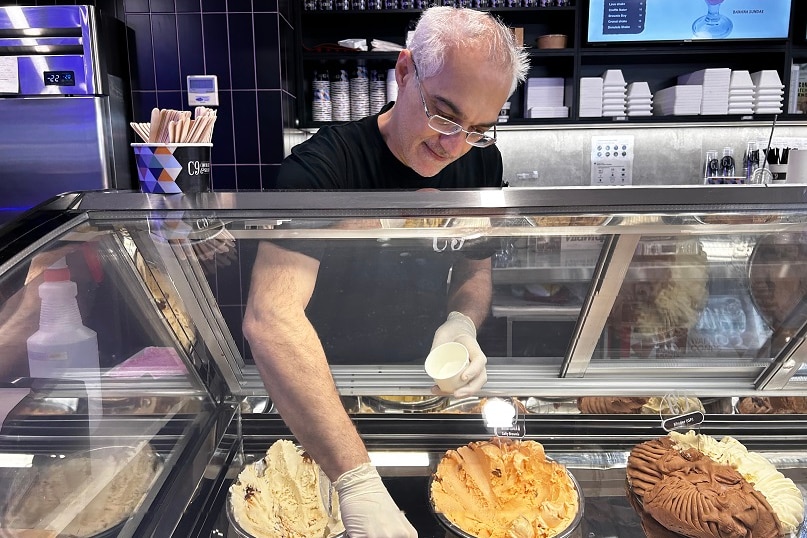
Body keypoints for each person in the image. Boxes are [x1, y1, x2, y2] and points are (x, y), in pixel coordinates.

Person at [242, 7, 529, 538]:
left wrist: (462, 324)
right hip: (319, 402)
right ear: (403, 71)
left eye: (479, 129)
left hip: (418, 395)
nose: (455, 144)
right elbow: (270, 317)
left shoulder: (481, 165)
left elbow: (474, 267)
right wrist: (357, 484)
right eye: (444, 114)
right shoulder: (322, 168)